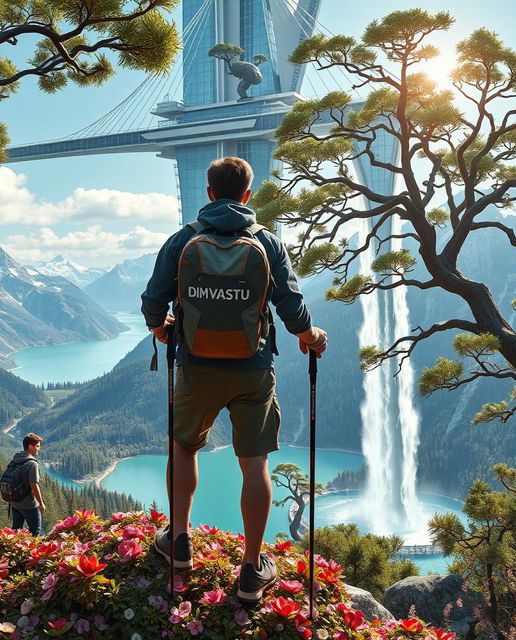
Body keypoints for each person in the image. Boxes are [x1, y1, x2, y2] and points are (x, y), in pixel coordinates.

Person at [141, 157, 327, 602]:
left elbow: (153, 300)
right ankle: (250, 569)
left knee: (184, 446)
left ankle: (180, 542)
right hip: (253, 369)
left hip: (196, 366)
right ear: (248, 195)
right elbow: (290, 303)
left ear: (209, 193)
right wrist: (310, 336)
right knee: (254, 462)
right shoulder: (268, 242)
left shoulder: (183, 240)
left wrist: (161, 328)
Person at [9, 433, 46, 536]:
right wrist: (41, 503)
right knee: (35, 532)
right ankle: (34, 552)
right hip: (29, 505)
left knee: (16, 531)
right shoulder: (32, 464)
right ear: (30, 446)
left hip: (15, 502)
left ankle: (13, 550)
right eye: (37, 446)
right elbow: (34, 485)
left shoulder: (15, 460)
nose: (39, 448)